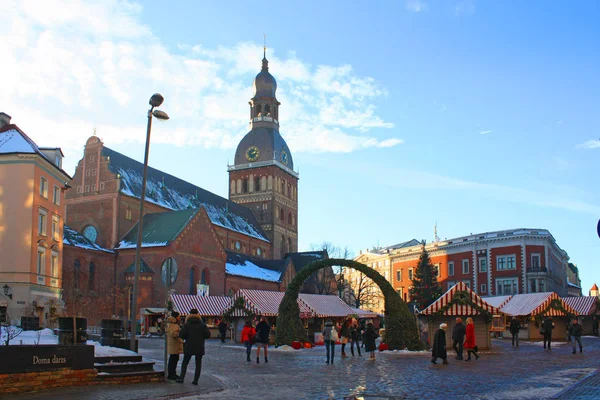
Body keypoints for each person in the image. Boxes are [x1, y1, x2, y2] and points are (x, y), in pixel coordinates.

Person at [177, 309, 211, 385]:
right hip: (199, 346)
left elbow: (181, 335)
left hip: (189, 346)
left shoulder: (187, 324)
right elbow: (208, 335)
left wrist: (187, 337)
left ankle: (181, 378)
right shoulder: (202, 325)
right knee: (198, 364)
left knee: (185, 362)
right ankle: (195, 381)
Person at [166, 311, 183, 380]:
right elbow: (174, 334)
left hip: (173, 345)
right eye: (178, 316)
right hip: (174, 345)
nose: (179, 318)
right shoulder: (174, 325)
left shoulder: (170, 324)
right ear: (176, 317)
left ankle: (172, 373)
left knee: (173, 359)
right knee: (173, 360)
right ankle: (171, 374)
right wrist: (180, 333)